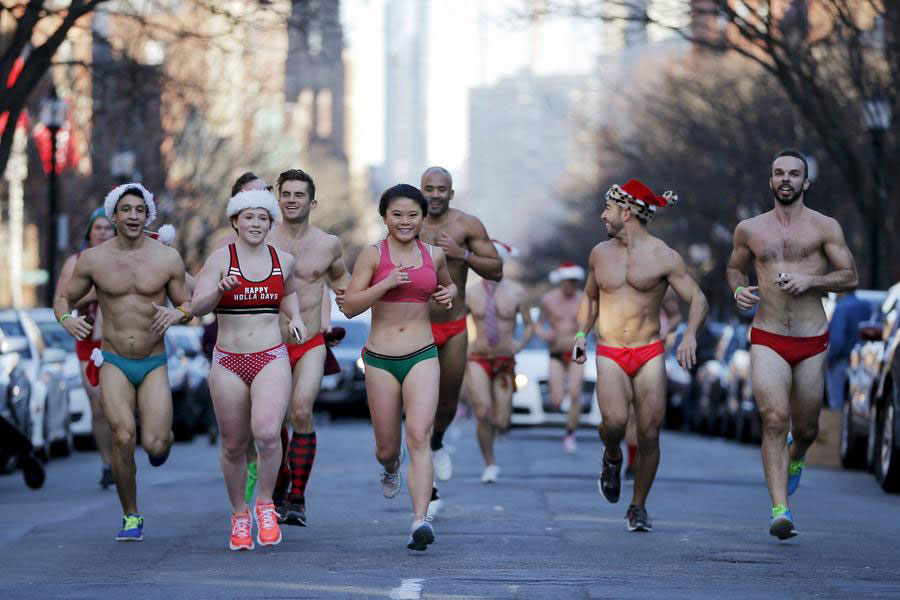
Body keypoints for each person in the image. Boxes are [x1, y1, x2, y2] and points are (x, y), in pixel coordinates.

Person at [727, 148, 857, 539]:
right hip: (767, 336)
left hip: (811, 339)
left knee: (806, 429)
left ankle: (797, 454)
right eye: (779, 173)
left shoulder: (824, 227)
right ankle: (780, 510)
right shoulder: (750, 229)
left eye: (794, 173)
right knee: (773, 419)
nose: (786, 179)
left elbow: (850, 276)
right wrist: (738, 290)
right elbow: (735, 268)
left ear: (806, 182)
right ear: (771, 180)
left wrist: (811, 281)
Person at [55, 183, 192, 541]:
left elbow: (188, 303)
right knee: (123, 436)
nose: (133, 216)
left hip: (153, 361)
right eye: (126, 210)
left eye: (139, 210)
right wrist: (66, 319)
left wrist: (178, 314)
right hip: (113, 359)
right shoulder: (94, 259)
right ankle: (131, 515)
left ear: (148, 216)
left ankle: (163, 441)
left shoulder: (166, 258)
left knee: (155, 444)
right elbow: (63, 298)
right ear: (113, 216)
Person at [575, 178, 707, 532]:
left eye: (608, 208)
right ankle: (612, 456)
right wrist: (581, 334)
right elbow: (590, 297)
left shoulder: (664, 256)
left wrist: (689, 335)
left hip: (649, 351)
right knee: (615, 423)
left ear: (626, 212)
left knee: (649, 432)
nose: (603, 215)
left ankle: (638, 507)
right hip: (610, 350)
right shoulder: (599, 253)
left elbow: (698, 299)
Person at [341, 183, 456, 550]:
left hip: (422, 354)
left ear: (423, 217)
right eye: (397, 215)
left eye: (413, 215)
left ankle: (420, 520)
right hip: (380, 360)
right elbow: (350, 306)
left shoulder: (434, 255)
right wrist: (386, 283)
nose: (405, 221)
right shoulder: (373, 255)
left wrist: (449, 293)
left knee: (420, 436)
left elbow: (449, 286)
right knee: (387, 449)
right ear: (385, 218)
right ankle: (390, 466)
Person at [191, 188, 307, 551]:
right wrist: (219, 290)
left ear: (271, 223)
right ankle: (239, 514)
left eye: (262, 218)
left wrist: (296, 317)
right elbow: (197, 307)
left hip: (270, 355)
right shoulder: (220, 259)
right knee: (233, 444)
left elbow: (289, 293)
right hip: (228, 360)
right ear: (235, 222)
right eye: (248, 217)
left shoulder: (283, 260)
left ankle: (266, 504)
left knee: (268, 433)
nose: (256, 224)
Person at [265, 168, 351, 526]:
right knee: (272, 421)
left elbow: (344, 282)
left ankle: (297, 498)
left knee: (300, 410)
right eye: (286, 194)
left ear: (312, 202)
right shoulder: (262, 238)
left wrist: (356, 301)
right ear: (278, 199)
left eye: (299, 194)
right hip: (268, 344)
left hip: (311, 343)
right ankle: (279, 483)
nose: (292, 200)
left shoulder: (328, 244)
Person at [418, 166, 502, 490]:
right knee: (419, 399)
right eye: (429, 188)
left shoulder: (467, 224)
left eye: (441, 189)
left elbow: (496, 269)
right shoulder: (410, 221)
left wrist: (462, 254)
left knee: (448, 402)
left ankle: (437, 440)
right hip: (416, 326)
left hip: (453, 325)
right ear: (421, 190)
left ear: (451, 193)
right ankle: (420, 461)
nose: (435, 194)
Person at [53, 207, 116, 488]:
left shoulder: (124, 258)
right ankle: (107, 463)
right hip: (89, 342)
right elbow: (61, 300)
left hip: (120, 339)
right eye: (97, 228)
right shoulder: (76, 262)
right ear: (89, 232)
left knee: (118, 405)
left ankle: (121, 457)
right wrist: (94, 293)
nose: (102, 232)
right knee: (98, 404)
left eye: (107, 227)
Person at [464, 240, 533, 482]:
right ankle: (489, 463)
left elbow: (529, 324)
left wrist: (521, 344)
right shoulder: (470, 293)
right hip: (478, 357)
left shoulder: (517, 292)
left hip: (505, 360)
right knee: (482, 411)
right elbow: (458, 324)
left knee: (501, 420)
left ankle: (501, 424)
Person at [537, 262, 586, 453]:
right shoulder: (548, 299)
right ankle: (561, 395)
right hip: (556, 350)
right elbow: (538, 324)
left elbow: (589, 323)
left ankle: (570, 434)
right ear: (560, 281)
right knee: (557, 400)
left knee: (575, 393)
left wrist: (584, 335)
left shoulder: (582, 299)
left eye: (573, 281)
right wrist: (544, 334)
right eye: (567, 281)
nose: (570, 285)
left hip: (577, 349)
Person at [826, 292, 871, 410]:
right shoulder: (865, 305)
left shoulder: (842, 307)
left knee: (837, 404)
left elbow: (837, 340)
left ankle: (839, 423)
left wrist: (828, 360)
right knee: (855, 405)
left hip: (840, 361)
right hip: (860, 359)